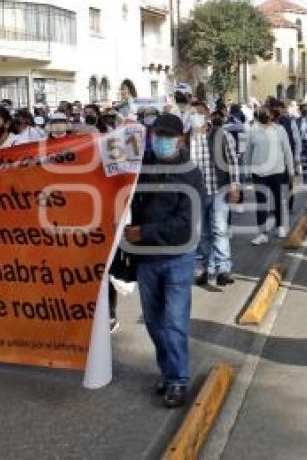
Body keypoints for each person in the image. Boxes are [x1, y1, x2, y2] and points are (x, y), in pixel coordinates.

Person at [124, 114, 205, 408]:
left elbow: (186, 224)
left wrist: (143, 232)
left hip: (178, 256)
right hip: (146, 258)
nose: (161, 141)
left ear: (180, 140)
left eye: (167, 136)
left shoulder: (191, 174)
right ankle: (168, 370)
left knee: (173, 321)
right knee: (154, 321)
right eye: (156, 135)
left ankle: (179, 380)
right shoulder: (143, 167)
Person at [187, 102, 241, 287]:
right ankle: (204, 268)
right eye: (192, 113)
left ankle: (223, 269)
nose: (196, 116)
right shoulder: (186, 138)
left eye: (200, 113)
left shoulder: (221, 134)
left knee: (219, 229)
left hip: (219, 189)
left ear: (208, 115)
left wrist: (235, 186)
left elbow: (232, 161)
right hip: (196, 193)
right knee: (202, 233)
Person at [245, 105, 295, 245]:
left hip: (277, 171)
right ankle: (262, 234)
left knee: (279, 200)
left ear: (272, 115)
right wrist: (247, 170)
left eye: (266, 112)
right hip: (258, 172)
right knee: (261, 203)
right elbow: (248, 152)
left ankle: (280, 226)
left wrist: (291, 171)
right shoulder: (253, 130)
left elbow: (287, 151)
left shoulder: (280, 130)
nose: (264, 115)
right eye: (261, 113)